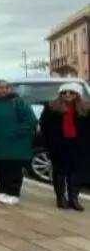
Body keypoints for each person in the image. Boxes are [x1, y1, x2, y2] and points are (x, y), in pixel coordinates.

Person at [0, 80, 37, 206]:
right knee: (0, 168)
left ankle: (14, 193)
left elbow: (31, 120)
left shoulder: (17, 102)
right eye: (0, 87)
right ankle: (3, 191)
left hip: (14, 143)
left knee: (13, 169)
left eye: (7, 87)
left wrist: (16, 132)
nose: (4, 90)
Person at [40, 83, 86, 211]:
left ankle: (74, 198)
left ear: (77, 94)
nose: (67, 95)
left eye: (71, 92)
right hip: (58, 145)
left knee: (76, 173)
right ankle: (61, 198)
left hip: (78, 145)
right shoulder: (51, 107)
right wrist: (48, 145)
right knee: (60, 172)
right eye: (64, 92)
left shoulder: (85, 108)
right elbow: (45, 127)